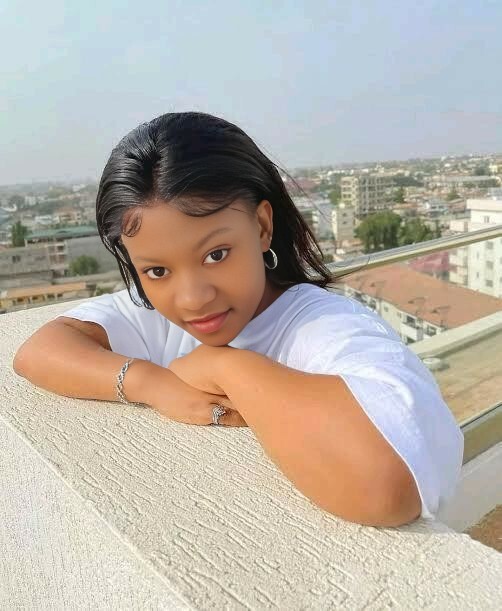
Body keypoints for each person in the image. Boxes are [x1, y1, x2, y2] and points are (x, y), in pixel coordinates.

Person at [13, 111, 463, 528]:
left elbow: (386, 487)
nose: (193, 298)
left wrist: (225, 365)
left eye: (216, 254)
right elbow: (39, 352)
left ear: (262, 226)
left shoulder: (323, 325)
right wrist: (153, 384)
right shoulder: (157, 312)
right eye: (157, 271)